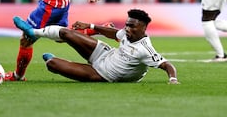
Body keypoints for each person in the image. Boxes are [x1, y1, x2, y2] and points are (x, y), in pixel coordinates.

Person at [11, 9, 179, 84]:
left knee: (51, 64)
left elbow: (166, 65)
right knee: (67, 34)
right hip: (103, 54)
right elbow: (114, 33)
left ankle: (59, 62)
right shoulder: (126, 34)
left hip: (103, 74)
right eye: (127, 25)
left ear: (143, 28)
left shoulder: (145, 49)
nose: (127, 29)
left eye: (132, 26)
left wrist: (172, 79)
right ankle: (33, 32)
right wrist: (92, 25)